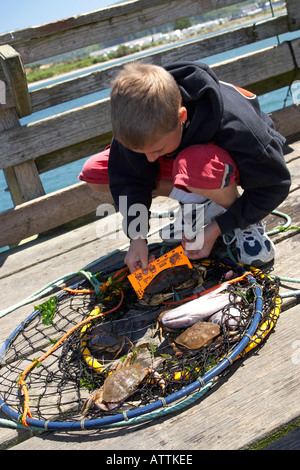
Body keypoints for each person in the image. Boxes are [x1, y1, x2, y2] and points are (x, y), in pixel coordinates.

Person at [79, 61, 291, 273]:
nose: (150, 159)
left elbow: (274, 186)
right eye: (142, 152)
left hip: (228, 161)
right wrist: (137, 236)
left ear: (181, 117)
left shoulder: (238, 125)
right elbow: (128, 178)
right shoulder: (139, 118)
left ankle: (244, 222)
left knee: (195, 165)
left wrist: (217, 229)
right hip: (182, 159)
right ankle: (203, 202)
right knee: (97, 173)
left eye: (156, 149)